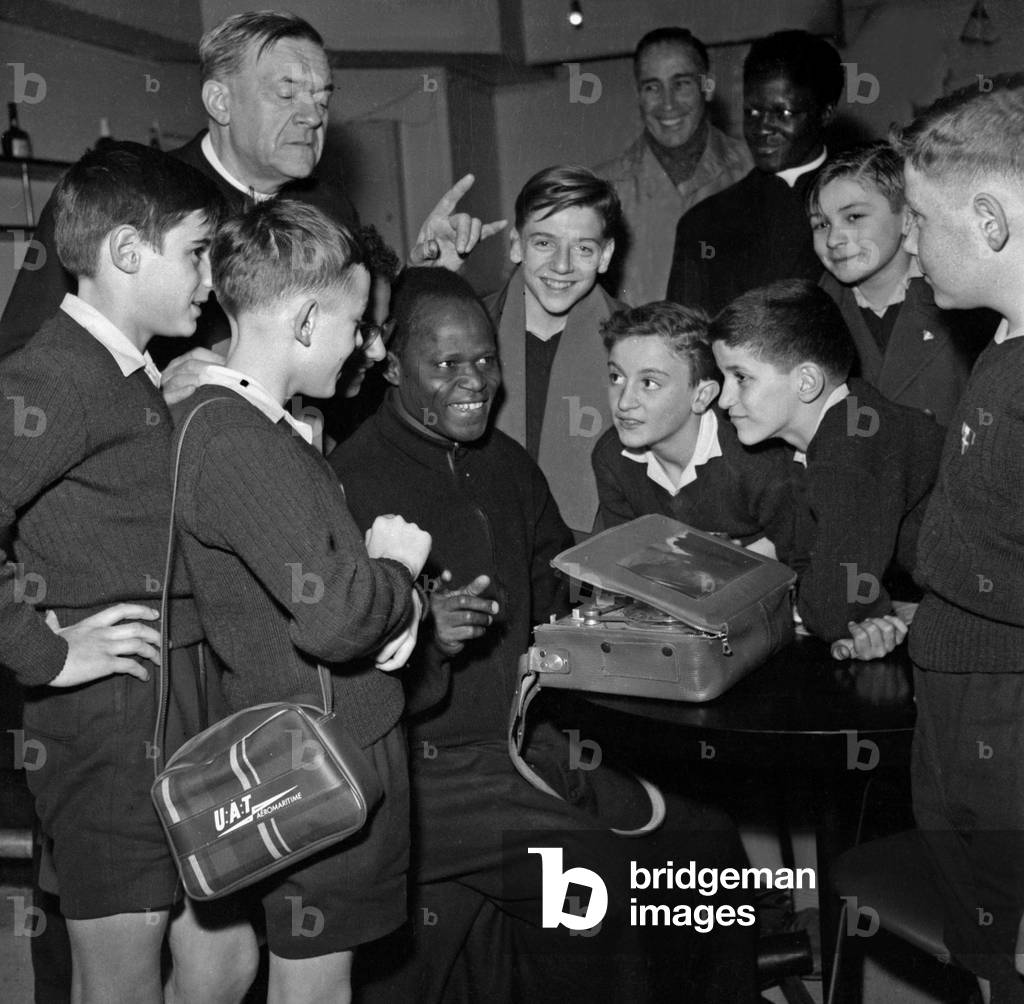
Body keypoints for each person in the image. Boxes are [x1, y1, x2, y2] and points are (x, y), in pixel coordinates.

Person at [330, 267, 757, 1004]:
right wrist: (426, 636)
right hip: (424, 774)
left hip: (531, 744)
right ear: (395, 367)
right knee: (592, 880)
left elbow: (563, 590)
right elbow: (336, 667)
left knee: (703, 840)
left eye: (487, 361)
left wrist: (674, 587)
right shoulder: (350, 480)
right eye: (446, 365)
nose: (476, 382)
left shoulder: (507, 465)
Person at [0, 141, 254, 1004]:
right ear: (124, 254)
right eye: (195, 254)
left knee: (225, 960)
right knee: (121, 981)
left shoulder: (124, 370)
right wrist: (45, 653)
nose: (209, 279)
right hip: (109, 712)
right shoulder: (54, 374)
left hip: (177, 689)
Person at [169, 199, 431, 1003]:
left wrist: (391, 608)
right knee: (315, 988)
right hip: (322, 760)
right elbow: (336, 617)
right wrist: (397, 572)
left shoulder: (235, 422)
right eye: (357, 324)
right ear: (310, 318)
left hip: (286, 740)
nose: (367, 343)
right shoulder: (241, 441)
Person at [0, 9, 502, 370]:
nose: (312, 115)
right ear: (220, 100)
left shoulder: (328, 208)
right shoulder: (129, 196)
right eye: (287, 93)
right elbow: (23, 356)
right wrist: (153, 388)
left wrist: (423, 278)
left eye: (322, 97)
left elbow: (365, 354)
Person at [893, 74, 1024, 1003]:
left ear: (990, 219)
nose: (907, 239)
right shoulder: (1003, 342)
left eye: (916, 217)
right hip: (962, 707)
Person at [709, 278, 943, 660]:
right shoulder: (837, 423)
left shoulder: (850, 452)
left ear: (806, 381)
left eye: (741, 377)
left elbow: (837, 604)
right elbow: (804, 555)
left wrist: (850, 617)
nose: (724, 398)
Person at [590, 300, 796, 556]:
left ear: (701, 396)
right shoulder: (610, 456)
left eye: (649, 383)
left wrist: (729, 562)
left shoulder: (756, 458)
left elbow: (799, 545)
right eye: (616, 377)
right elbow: (624, 555)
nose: (624, 402)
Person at [808, 142, 992, 427]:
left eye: (854, 217)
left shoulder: (965, 306)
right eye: (821, 224)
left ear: (907, 218)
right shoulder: (811, 315)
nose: (833, 239)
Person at [666, 30, 843, 314]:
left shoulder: (864, 210)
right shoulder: (702, 225)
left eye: (783, 113)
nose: (761, 129)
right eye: (752, 112)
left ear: (826, 113)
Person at [488, 165, 622, 534]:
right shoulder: (473, 326)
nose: (561, 265)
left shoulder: (635, 339)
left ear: (606, 254)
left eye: (583, 248)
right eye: (544, 243)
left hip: (595, 545)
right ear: (516, 244)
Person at [595, 27, 751, 306]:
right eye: (652, 87)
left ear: (708, 87)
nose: (668, 104)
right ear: (639, 95)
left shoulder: (754, 171)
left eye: (681, 84)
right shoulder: (601, 188)